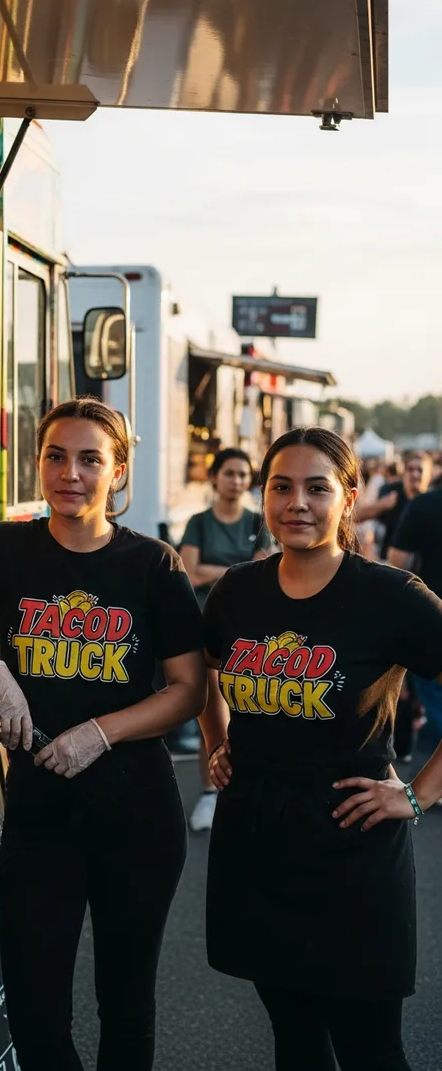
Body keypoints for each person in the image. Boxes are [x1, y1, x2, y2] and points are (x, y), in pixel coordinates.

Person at [0, 397, 206, 1071]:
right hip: (40, 810)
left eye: (90, 459)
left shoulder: (153, 564)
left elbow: (188, 690)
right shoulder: (4, 550)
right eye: (55, 455)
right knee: (33, 1011)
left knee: (124, 1005)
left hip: (136, 808)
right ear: (37, 462)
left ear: (118, 471)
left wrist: (101, 732)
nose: (70, 473)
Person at [198, 426, 442, 1071]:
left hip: (352, 846)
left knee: (371, 1050)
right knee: (295, 1039)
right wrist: (217, 741)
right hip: (257, 839)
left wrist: (418, 794)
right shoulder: (238, 591)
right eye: (281, 487)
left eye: (317, 488)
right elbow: (204, 673)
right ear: (263, 495)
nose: (297, 503)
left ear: (349, 497)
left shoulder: (390, 595)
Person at [177, 447, 270, 831]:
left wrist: (215, 570)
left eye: (242, 474)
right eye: (229, 472)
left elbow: (264, 576)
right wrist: (237, 570)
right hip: (207, 630)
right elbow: (189, 573)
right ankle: (210, 794)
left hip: (251, 633)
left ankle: (250, 794)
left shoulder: (259, 521)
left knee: (253, 718)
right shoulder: (199, 522)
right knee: (213, 717)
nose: (236, 480)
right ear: (214, 477)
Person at [389, 488, 442, 750]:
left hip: (431, 619)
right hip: (430, 622)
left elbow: (397, 561)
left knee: (435, 706)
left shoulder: (424, 505)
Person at [356, 451, 431, 561]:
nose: (415, 475)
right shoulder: (391, 493)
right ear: (404, 473)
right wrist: (382, 505)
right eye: (410, 469)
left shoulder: (433, 501)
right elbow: (356, 516)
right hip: (388, 562)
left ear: (429, 475)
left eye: (420, 470)